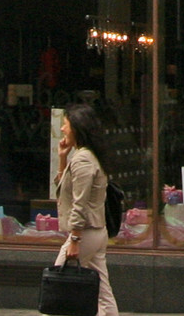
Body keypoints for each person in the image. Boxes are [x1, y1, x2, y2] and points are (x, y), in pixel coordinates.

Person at [53, 104, 118, 316]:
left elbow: (79, 203)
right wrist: (63, 157)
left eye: (65, 125)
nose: (62, 130)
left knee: (57, 285)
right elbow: (65, 187)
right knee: (103, 293)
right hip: (96, 231)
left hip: (86, 233)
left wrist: (74, 239)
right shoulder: (88, 156)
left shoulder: (83, 159)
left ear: (77, 129)